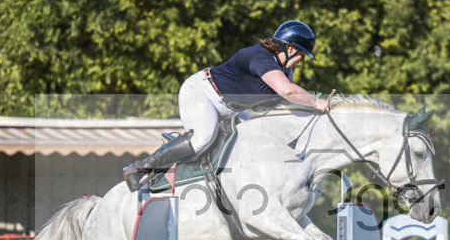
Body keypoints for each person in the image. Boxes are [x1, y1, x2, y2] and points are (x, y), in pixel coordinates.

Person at [123, 20, 331, 190]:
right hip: (202, 93)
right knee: (202, 139)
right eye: (301, 55)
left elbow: (287, 101)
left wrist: (313, 111)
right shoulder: (261, 57)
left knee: (256, 141)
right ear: (290, 48)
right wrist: (316, 102)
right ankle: (141, 167)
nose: (302, 61)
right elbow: (287, 91)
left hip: (231, 109)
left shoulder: (284, 70)